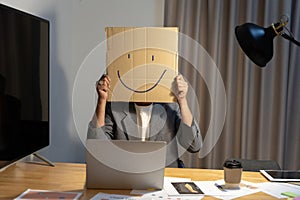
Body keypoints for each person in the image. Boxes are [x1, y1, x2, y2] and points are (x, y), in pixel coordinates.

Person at [87, 74, 202, 167]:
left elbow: (194, 145)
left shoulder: (171, 107)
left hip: (166, 177)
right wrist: (102, 100)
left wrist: (182, 100)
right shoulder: (115, 108)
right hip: (126, 176)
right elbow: (97, 148)